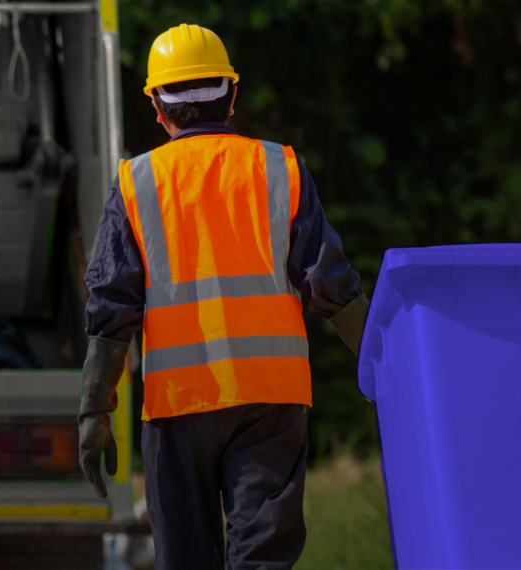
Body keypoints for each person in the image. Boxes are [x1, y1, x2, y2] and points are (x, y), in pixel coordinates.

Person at [76, 23, 371, 569]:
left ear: (157, 108)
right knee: (263, 558)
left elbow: (110, 307)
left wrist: (95, 408)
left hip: (178, 405)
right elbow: (330, 285)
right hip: (272, 399)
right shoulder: (279, 168)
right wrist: (391, 369)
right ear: (231, 96)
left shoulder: (137, 182)